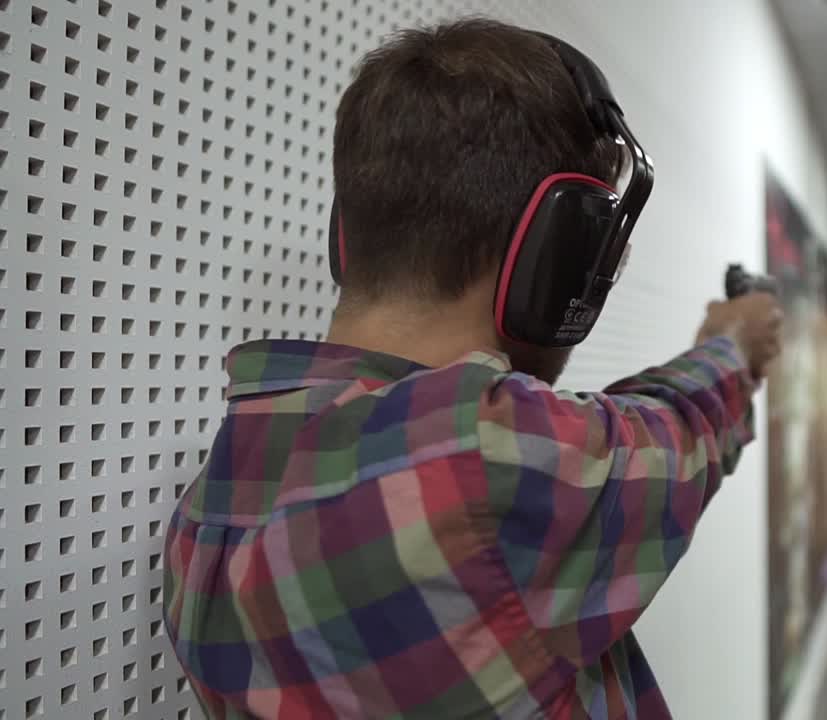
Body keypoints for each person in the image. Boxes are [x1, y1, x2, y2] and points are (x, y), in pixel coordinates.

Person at [163, 18, 782, 720]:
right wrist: (734, 341)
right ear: (559, 254)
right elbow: (680, 425)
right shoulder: (477, 459)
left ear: (348, 233)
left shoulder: (206, 521)